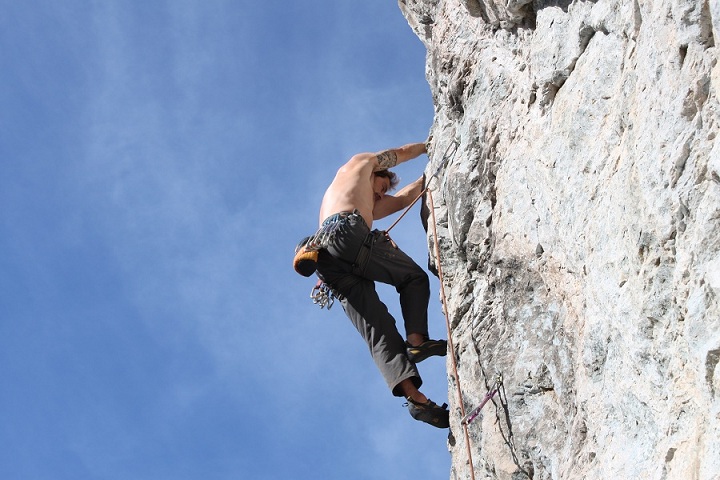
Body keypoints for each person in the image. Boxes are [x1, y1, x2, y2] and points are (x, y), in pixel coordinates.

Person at [313, 142, 449, 428]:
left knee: (378, 329)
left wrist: (426, 178)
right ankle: (417, 342)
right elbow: (399, 153)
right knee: (413, 277)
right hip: (346, 232)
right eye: (382, 184)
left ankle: (417, 400)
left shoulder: (366, 202)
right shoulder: (360, 164)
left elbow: (401, 201)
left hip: (330, 264)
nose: (382, 192)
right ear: (376, 172)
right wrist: (429, 146)